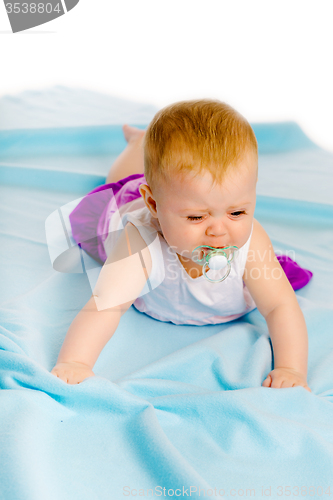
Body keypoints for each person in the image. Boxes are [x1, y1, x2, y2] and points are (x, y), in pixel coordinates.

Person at [50, 99, 312, 392]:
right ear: (154, 205)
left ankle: (146, 149)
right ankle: (138, 144)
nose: (218, 230)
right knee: (126, 182)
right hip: (129, 208)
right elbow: (105, 306)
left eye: (237, 212)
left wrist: (290, 368)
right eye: (196, 217)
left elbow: (279, 306)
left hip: (170, 198)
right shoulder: (140, 241)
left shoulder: (252, 242)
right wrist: (75, 362)